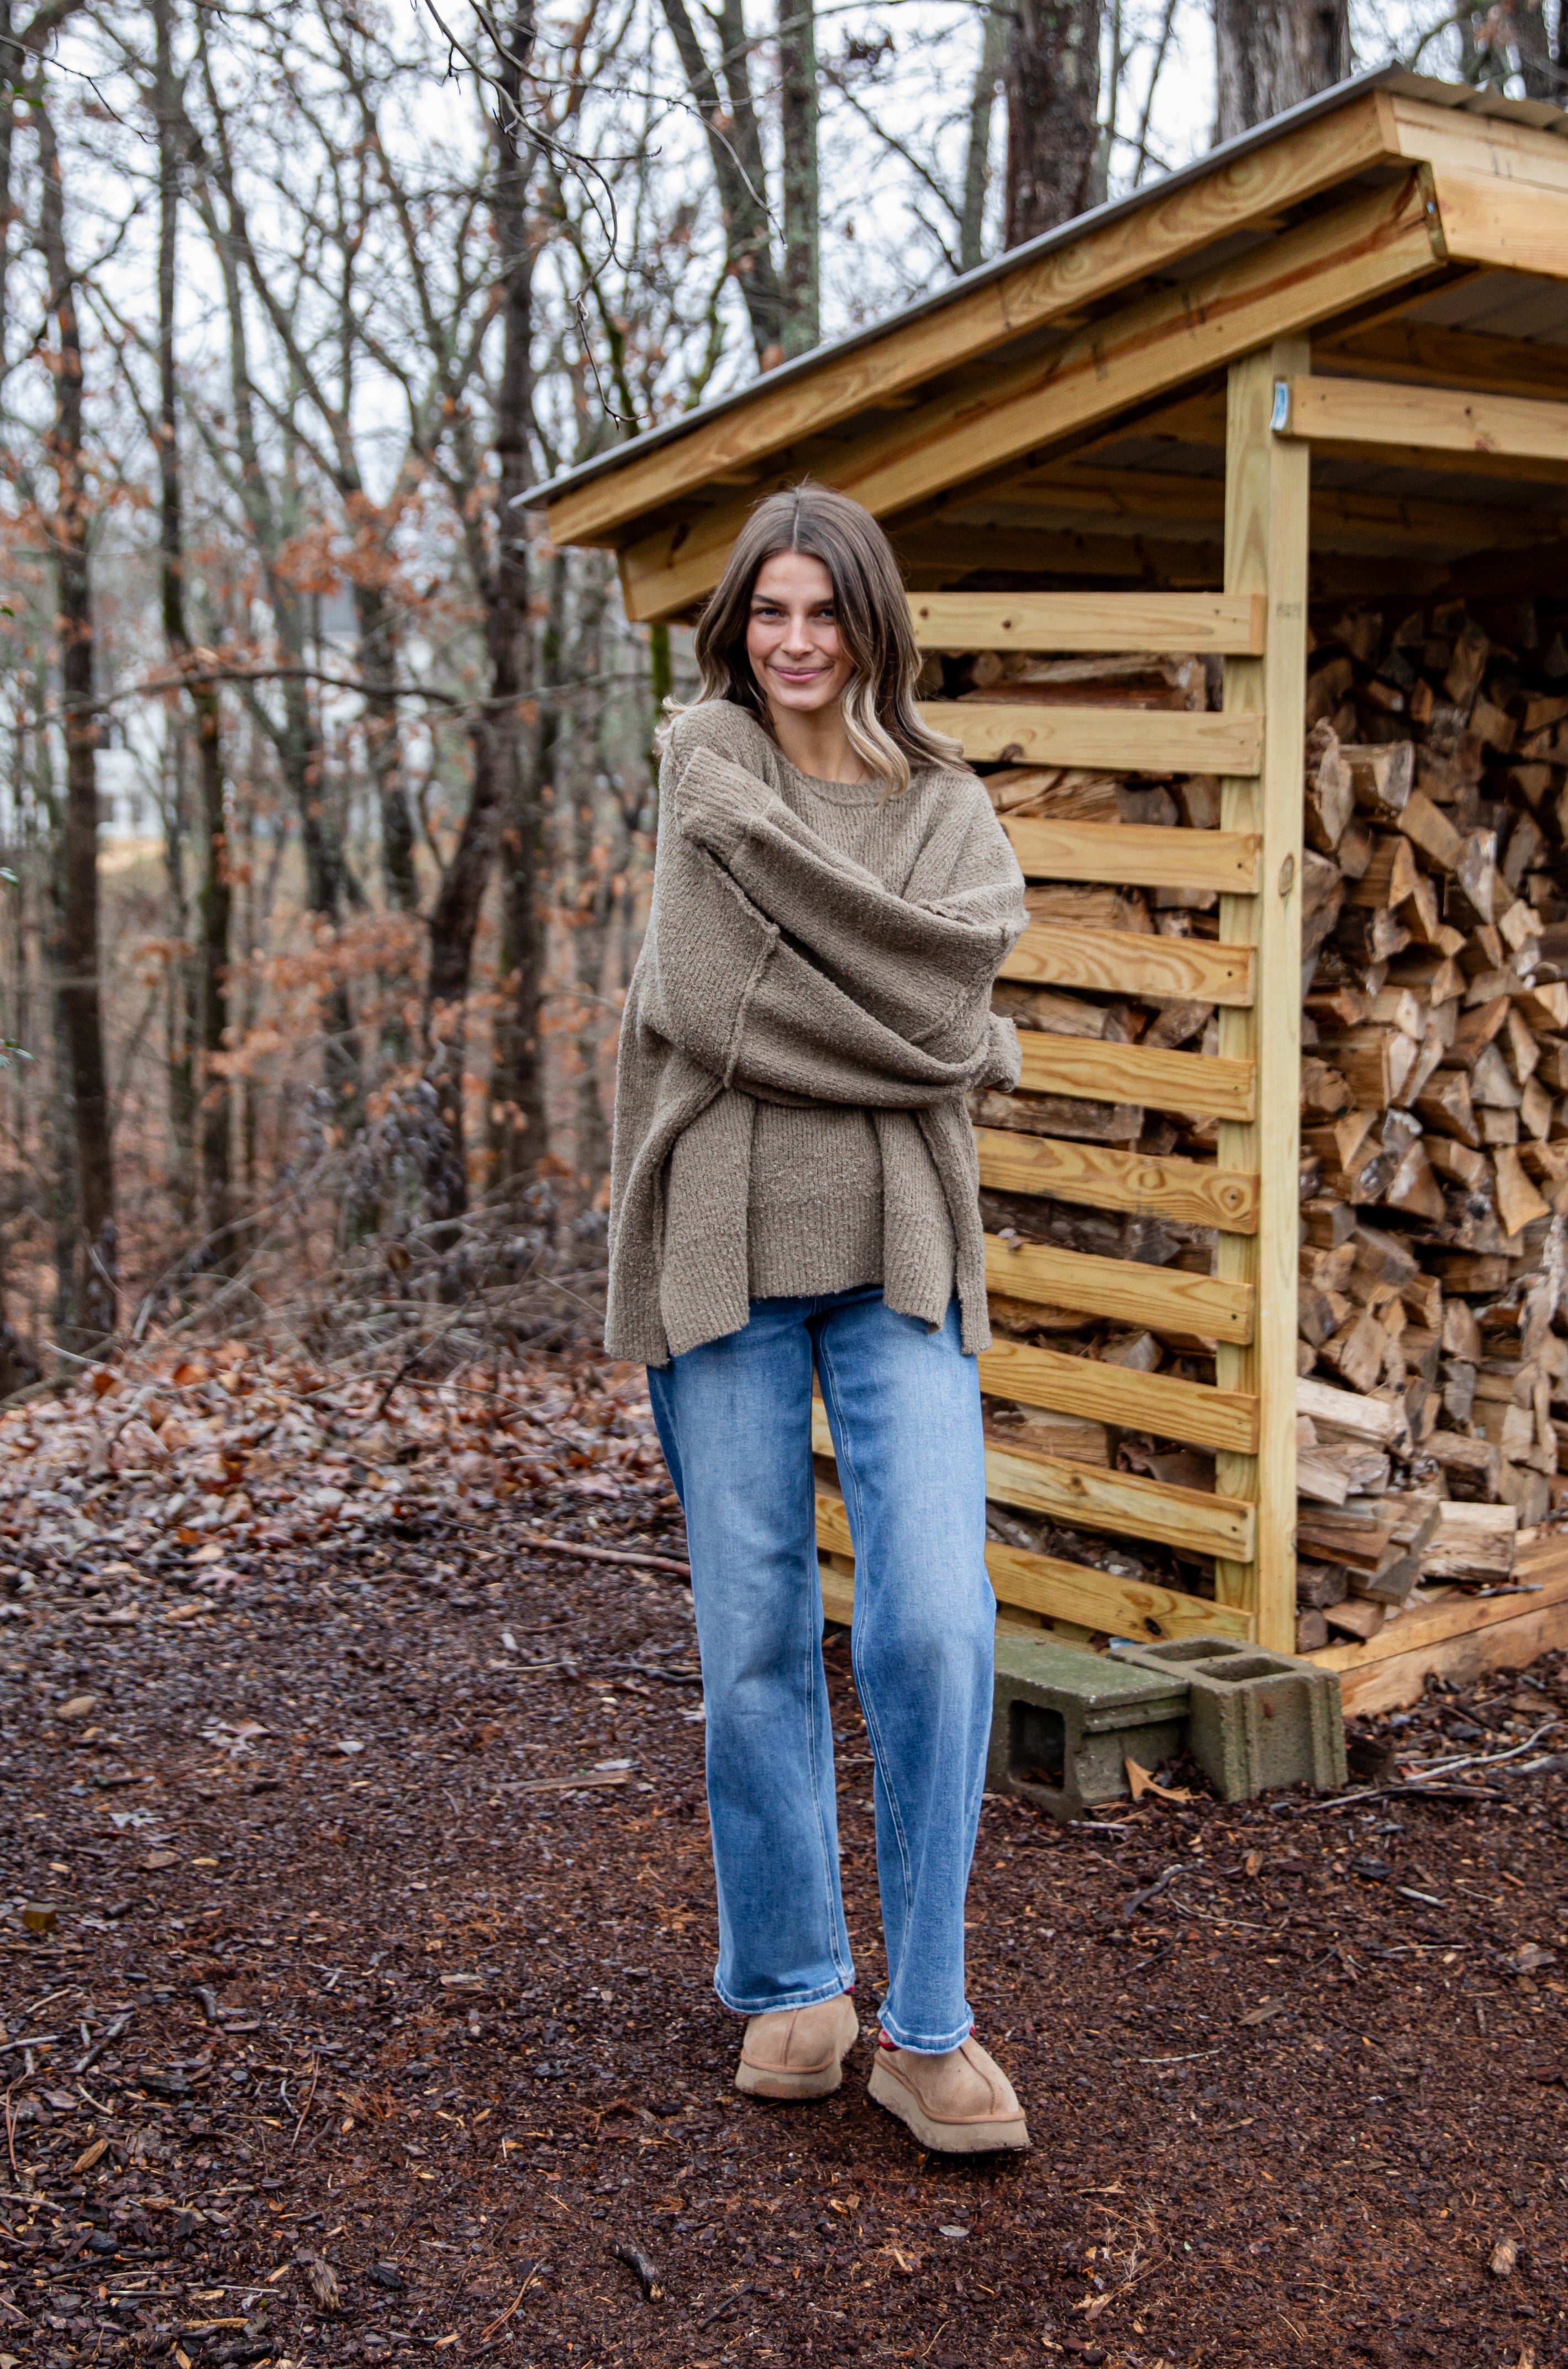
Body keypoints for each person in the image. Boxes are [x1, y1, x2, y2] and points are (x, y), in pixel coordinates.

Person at [606, 482, 1030, 2154]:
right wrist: (927, 1037)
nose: (792, 643)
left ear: (872, 621)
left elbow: (953, 990)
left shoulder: (945, 807)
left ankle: (928, 2028)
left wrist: (925, 1023)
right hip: (714, 1235)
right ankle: (795, 1980)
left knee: (933, 1619)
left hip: (899, 1248)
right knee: (756, 1633)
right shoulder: (701, 763)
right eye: (766, 612)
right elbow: (703, 1002)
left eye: (821, 611)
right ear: (736, 626)